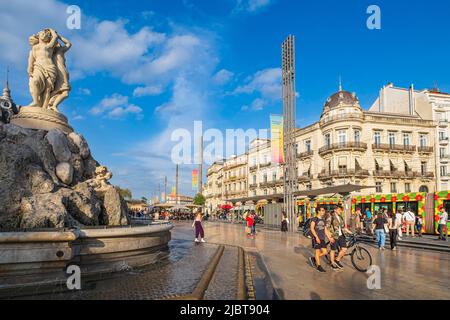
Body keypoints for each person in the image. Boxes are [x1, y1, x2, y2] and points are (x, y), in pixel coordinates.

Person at [327, 204, 352, 271]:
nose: (340, 211)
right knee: (333, 250)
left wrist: (350, 233)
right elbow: (326, 228)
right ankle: (332, 263)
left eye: (341, 210)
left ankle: (337, 260)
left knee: (344, 249)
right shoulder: (331, 218)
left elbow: (344, 227)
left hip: (341, 236)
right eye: (339, 210)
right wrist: (330, 237)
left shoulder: (340, 217)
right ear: (335, 210)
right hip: (334, 236)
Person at [309, 206, 334, 273]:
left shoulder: (323, 220)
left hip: (322, 238)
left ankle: (314, 258)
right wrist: (316, 237)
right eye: (322, 210)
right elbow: (312, 228)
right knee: (317, 252)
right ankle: (318, 266)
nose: (324, 212)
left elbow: (325, 230)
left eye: (324, 210)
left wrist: (329, 238)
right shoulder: (314, 219)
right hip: (316, 237)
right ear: (318, 211)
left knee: (325, 252)